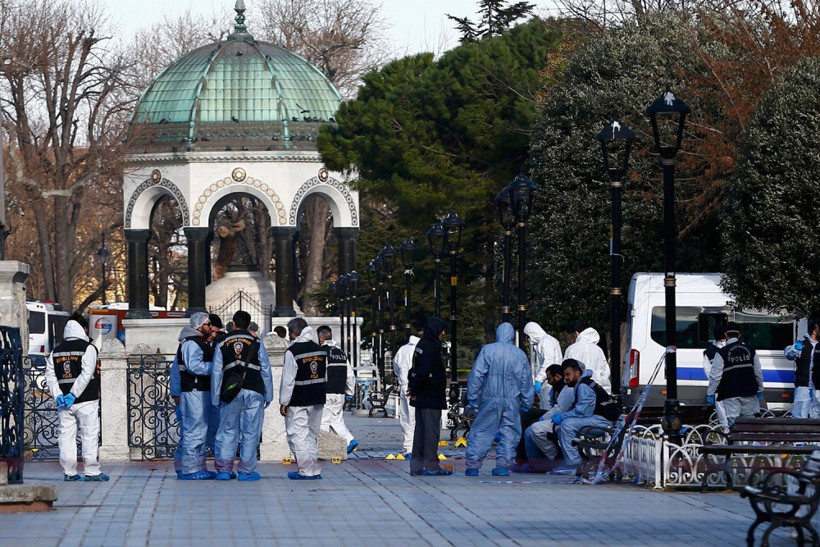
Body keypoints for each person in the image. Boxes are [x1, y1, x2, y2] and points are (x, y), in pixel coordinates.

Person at [44, 313, 108, 482]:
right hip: (86, 399)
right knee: (89, 434)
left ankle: (69, 472)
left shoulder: (55, 351)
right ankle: (92, 471)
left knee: (66, 436)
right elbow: (87, 374)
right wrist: (74, 393)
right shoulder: (88, 348)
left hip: (64, 402)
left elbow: (50, 376)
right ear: (83, 329)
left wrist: (59, 395)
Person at [464, 322, 534, 476]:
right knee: (510, 431)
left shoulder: (487, 350)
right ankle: (503, 465)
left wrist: (472, 397)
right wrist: (527, 401)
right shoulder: (519, 354)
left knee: (482, 430)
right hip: (512, 399)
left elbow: (477, 375)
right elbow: (526, 380)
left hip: (490, 397)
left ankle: (473, 466)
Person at [211, 311, 273, 481]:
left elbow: (217, 371)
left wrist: (216, 397)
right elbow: (265, 368)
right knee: (251, 431)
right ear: (249, 324)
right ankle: (246, 471)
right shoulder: (256, 341)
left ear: (233, 323)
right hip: (254, 390)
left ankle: (224, 470)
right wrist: (269, 394)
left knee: (227, 430)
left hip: (230, 392)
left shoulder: (223, 341)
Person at [552, 359, 620, 472]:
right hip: (601, 419)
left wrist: (563, 416)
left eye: (568, 374)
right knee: (565, 426)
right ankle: (576, 461)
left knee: (567, 426)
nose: (566, 378)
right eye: (564, 375)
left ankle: (575, 465)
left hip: (603, 421)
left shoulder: (584, 387)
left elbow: (583, 412)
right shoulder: (584, 384)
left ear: (577, 373)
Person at [280, 318, 327, 480]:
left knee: (296, 434)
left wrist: (284, 402)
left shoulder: (293, 352)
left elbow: (288, 380)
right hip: (318, 397)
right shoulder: (320, 349)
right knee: (311, 435)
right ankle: (314, 469)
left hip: (299, 398)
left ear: (293, 333)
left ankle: (305, 470)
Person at [172, 312, 216, 480]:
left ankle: (192, 466)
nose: (210, 327)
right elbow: (194, 366)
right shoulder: (192, 343)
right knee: (194, 430)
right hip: (194, 391)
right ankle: (190, 469)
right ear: (199, 326)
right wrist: (216, 367)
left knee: (198, 429)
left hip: (199, 391)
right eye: (208, 324)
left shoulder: (198, 343)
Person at [408, 316, 451, 476]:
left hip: (422, 395)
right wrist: (415, 389)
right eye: (441, 330)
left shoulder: (422, 344)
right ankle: (431, 465)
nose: (444, 333)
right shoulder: (430, 347)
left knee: (420, 432)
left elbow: (414, 370)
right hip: (430, 395)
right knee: (431, 432)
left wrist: (413, 388)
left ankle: (417, 465)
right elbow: (424, 371)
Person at [707, 321, 764, 427]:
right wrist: (760, 389)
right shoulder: (751, 350)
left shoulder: (722, 352)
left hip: (730, 393)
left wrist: (711, 393)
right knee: (748, 425)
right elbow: (757, 373)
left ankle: (736, 443)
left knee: (734, 425)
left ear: (726, 335)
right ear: (739, 335)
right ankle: (748, 443)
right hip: (749, 393)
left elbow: (715, 376)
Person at [519, 364, 575, 472]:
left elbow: (560, 409)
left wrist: (543, 419)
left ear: (557, 376)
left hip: (564, 416)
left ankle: (543, 461)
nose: (548, 382)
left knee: (531, 429)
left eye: (549, 378)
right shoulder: (556, 389)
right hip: (556, 413)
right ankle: (522, 457)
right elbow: (554, 407)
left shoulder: (568, 389)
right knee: (527, 415)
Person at [317, 325, 358, 454]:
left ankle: (324, 448)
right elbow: (350, 375)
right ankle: (350, 440)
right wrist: (350, 392)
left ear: (320, 338)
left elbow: (320, 374)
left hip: (326, 392)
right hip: (339, 393)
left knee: (323, 421)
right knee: (336, 420)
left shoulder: (321, 353)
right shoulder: (341, 353)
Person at [785, 318, 820, 419]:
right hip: (803, 386)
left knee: (816, 417)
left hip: (817, 387)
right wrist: (795, 348)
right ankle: (799, 435)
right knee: (799, 416)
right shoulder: (803, 345)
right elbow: (789, 354)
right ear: (815, 330)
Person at [393, 330, 421, 456]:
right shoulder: (420, 349)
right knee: (415, 418)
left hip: (403, 386)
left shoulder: (402, 349)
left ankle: (407, 447)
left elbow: (396, 367)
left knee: (405, 417)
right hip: (415, 387)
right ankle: (415, 447)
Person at [564, 320, 611, 394]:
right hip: (596, 389)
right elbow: (605, 372)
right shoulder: (598, 350)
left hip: (576, 390)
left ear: (576, 333)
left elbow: (566, 370)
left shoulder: (571, 349)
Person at [524, 322, 563, 408]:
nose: (529, 339)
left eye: (528, 336)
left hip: (548, 381)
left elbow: (548, 362)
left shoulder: (546, 341)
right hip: (548, 380)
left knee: (547, 406)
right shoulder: (545, 341)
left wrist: (539, 379)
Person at [703, 324, 729, 428]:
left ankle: (729, 440)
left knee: (724, 420)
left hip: (720, 389)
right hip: (736, 388)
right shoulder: (735, 347)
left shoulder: (709, 351)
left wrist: (711, 392)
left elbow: (710, 373)